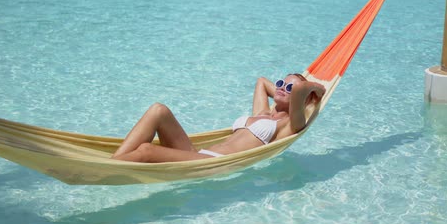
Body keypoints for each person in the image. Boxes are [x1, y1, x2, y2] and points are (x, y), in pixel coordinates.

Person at [111, 73, 326, 162]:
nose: (282, 88)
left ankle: (103, 171)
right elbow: (261, 81)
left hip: (212, 163)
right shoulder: (261, 114)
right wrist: (283, 91)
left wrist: (316, 89)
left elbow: (301, 91)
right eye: (280, 83)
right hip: (197, 155)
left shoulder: (289, 125)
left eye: (290, 87)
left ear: (303, 99)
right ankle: (112, 163)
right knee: (159, 110)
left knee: (147, 151)